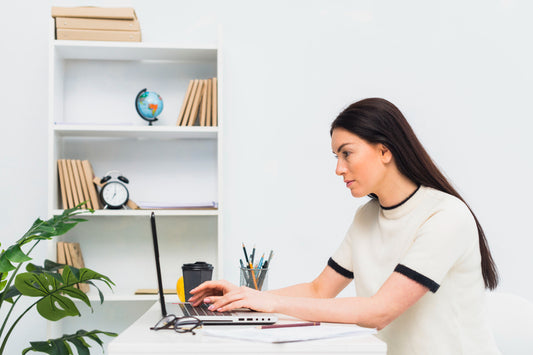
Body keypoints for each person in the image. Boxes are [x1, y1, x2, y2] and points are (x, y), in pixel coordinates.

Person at [189, 98, 501, 355]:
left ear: (385, 150)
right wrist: (246, 297)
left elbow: (380, 311)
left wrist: (269, 302)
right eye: (336, 156)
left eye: (347, 153)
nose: (339, 168)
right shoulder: (366, 217)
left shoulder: (445, 216)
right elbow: (319, 290)